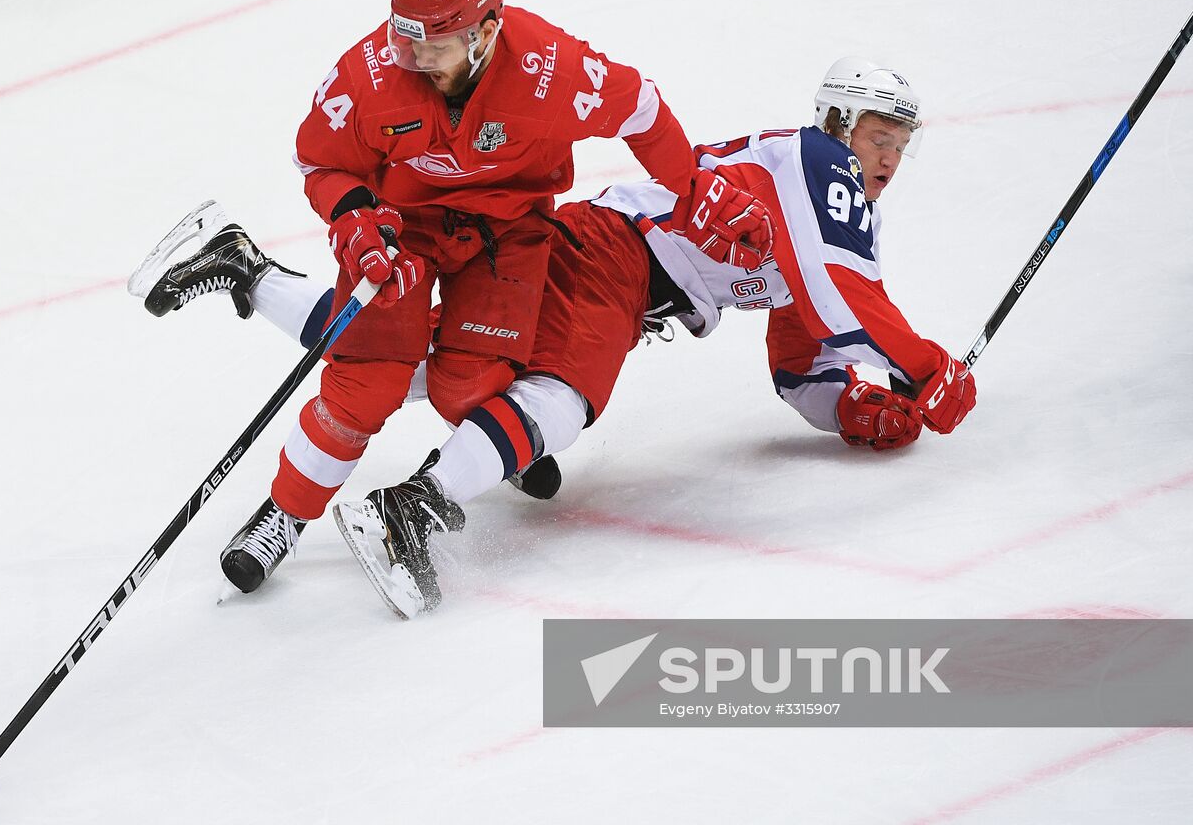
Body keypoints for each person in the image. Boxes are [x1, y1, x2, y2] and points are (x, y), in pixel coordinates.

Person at [141, 57, 976, 615]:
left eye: (900, 146)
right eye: (878, 137)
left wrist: (860, 410)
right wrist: (927, 367)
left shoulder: (823, 226)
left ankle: (245, 269)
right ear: (837, 121)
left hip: (601, 250)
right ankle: (416, 508)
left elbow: (800, 365)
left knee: (415, 362)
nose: (887, 160)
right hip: (615, 257)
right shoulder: (821, 168)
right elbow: (850, 303)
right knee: (566, 397)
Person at [137, 0, 718, 595]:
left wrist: (699, 194)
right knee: (367, 382)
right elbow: (321, 160)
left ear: (486, 34)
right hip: (401, 229)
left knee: (469, 387)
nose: (410, 57)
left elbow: (641, 108)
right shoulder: (374, 69)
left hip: (510, 234)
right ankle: (285, 514)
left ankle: (484, 436)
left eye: (432, 46)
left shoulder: (552, 70)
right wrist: (357, 225)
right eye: (403, 38)